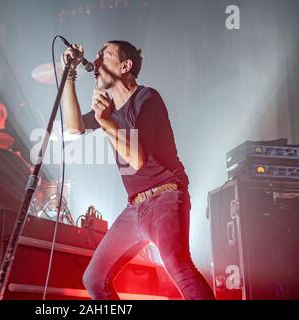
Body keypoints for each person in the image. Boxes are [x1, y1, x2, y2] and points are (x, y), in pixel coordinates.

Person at [61, 41, 215, 300]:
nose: (97, 61)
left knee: (178, 266)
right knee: (94, 279)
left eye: (105, 55)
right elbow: (73, 128)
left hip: (165, 197)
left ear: (125, 65)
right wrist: (70, 74)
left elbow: (137, 159)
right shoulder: (109, 108)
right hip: (135, 209)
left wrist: (106, 121)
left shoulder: (147, 98)